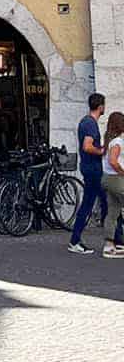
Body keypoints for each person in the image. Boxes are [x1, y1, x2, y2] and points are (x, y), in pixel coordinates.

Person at [69, 91, 107, 254]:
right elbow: (87, 146)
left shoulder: (85, 122)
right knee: (96, 203)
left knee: (102, 202)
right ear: (100, 107)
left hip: (89, 168)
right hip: (92, 169)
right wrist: (102, 151)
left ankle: (116, 237)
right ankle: (75, 240)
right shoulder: (90, 123)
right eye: (104, 105)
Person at [100, 110, 124, 259]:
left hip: (107, 178)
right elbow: (113, 161)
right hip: (116, 179)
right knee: (114, 212)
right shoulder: (118, 142)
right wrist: (122, 171)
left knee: (113, 212)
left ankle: (109, 246)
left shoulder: (109, 140)